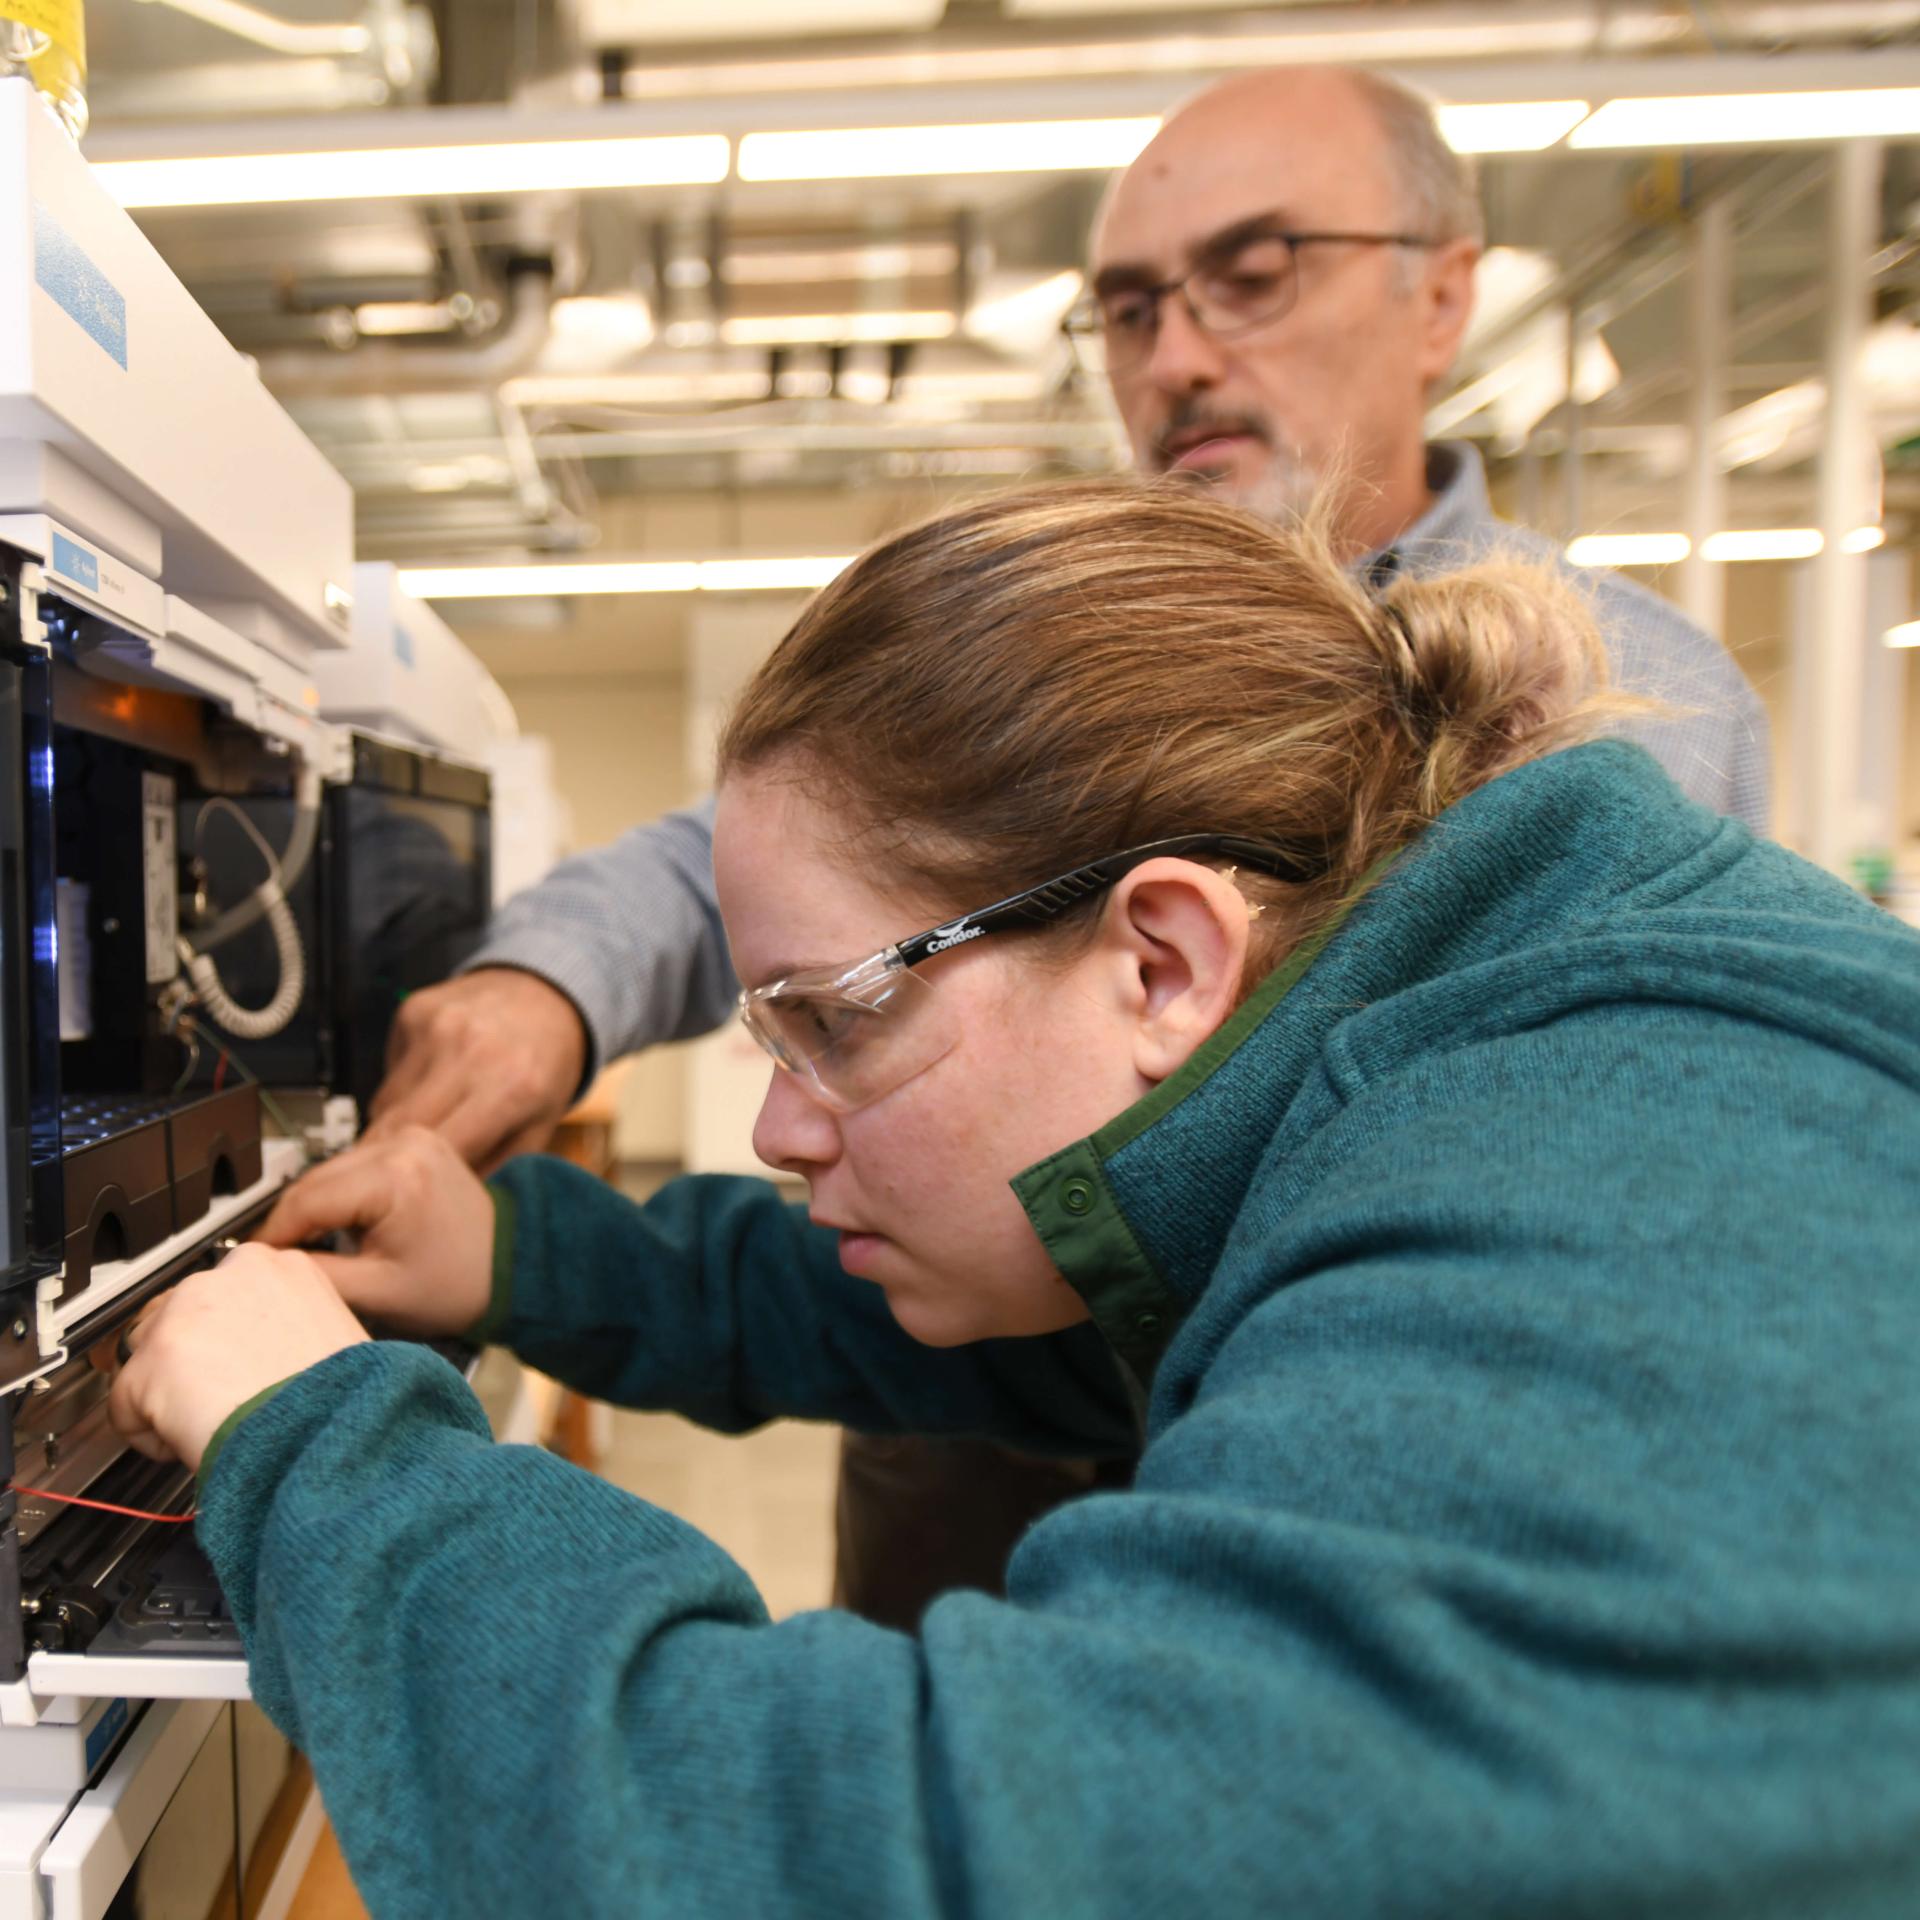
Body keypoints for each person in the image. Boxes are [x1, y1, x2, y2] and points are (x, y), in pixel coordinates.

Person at [110, 481, 1920, 1918]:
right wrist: (518, 1250)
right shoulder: (1450, 1030)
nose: (772, 1129)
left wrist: (320, 1445)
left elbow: (867, 1865)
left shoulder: (1606, 1194)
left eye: (830, 1020)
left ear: (1161, 955)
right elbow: (1094, 1307)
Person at [360, 65, 1772, 1625]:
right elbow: (783, 869)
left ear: (1442, 296)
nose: (1177, 356)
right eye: (1127, 309)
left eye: (1250, 278)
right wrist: (547, 994)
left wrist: (338, 1475)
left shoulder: (1642, 710)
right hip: (996, 1430)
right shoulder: (1058, 641)